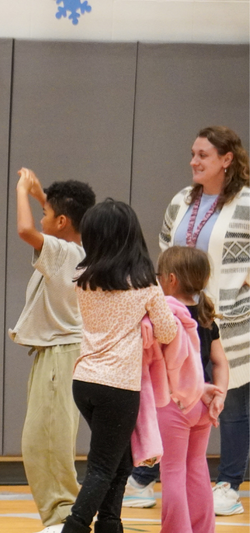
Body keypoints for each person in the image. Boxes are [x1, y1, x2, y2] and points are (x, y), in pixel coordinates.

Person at [60, 199, 178, 533]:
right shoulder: (144, 282)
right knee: (101, 466)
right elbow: (168, 332)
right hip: (119, 386)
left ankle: (111, 523)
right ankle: (76, 525)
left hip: (84, 381)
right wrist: (145, 321)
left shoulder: (82, 277)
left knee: (120, 459)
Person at [156, 125, 250, 516]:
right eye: (193, 154)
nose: (193, 161)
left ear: (226, 160)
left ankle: (229, 482)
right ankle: (146, 477)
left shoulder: (246, 202)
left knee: (232, 399)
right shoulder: (181, 199)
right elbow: (165, 249)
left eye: (203, 155)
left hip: (228, 316)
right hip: (180, 317)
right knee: (175, 397)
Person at [8, 169, 95, 532]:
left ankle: (63, 516)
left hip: (62, 353)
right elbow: (58, 215)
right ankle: (59, 514)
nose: (41, 217)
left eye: (47, 213)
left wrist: (20, 192)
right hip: (56, 352)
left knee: (48, 440)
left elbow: (27, 231)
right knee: (41, 438)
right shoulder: (76, 246)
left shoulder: (64, 251)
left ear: (61, 222)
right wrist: (41, 194)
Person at [153, 246, 229, 533]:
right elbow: (220, 362)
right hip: (202, 400)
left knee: (172, 470)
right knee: (196, 467)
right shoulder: (205, 313)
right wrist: (219, 394)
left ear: (171, 279)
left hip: (174, 403)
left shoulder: (168, 315)